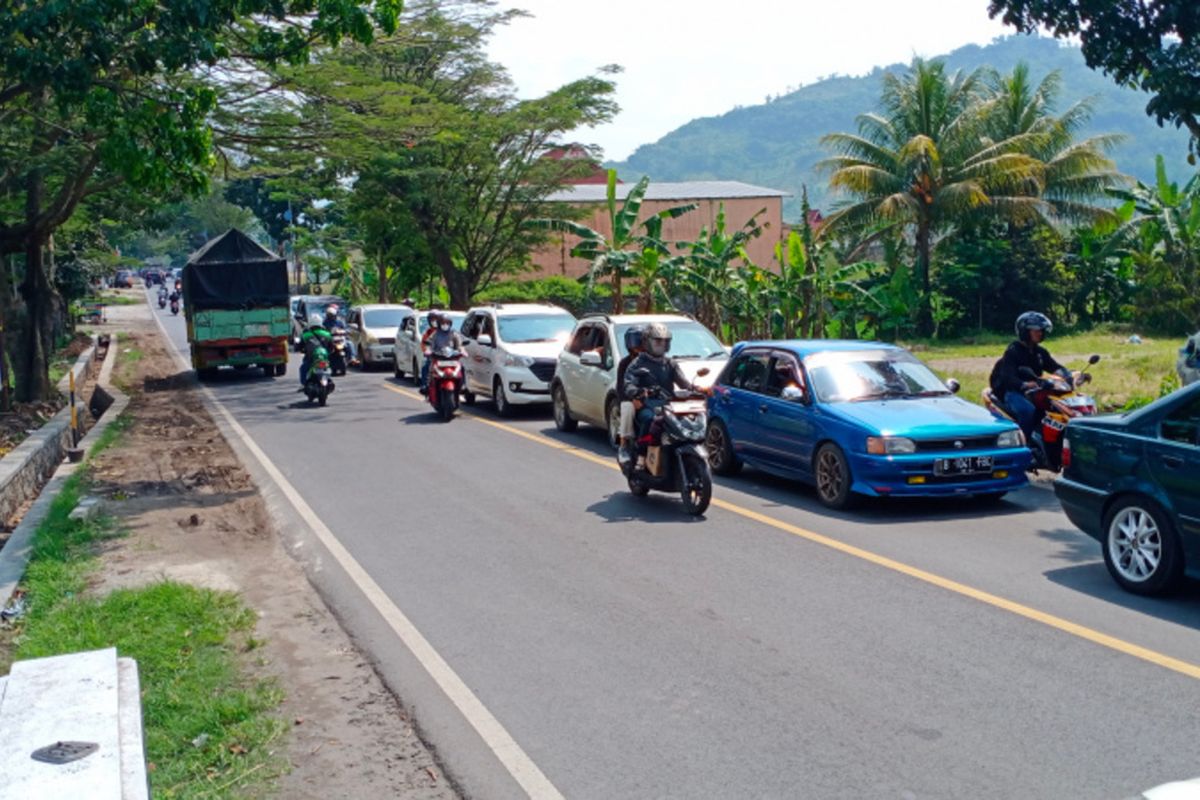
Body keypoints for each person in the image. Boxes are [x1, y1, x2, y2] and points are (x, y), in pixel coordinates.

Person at [622, 322, 709, 463]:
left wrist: (696, 389)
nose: (662, 345)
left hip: (669, 405)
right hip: (648, 405)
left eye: (665, 341)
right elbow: (628, 383)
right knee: (649, 419)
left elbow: (684, 383)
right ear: (647, 342)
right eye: (657, 341)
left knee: (691, 419)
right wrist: (637, 392)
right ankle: (641, 454)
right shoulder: (638, 363)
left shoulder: (670, 363)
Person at [989, 311, 1072, 441]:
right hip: (1012, 391)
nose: (1040, 333)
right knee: (1027, 411)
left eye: (1041, 330)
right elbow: (1008, 377)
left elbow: (1054, 367)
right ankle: (1024, 443)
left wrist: (1069, 375)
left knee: (1058, 408)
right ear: (1025, 331)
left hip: (1035, 391)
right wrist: (1024, 384)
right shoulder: (1013, 351)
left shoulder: (1039, 352)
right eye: (1036, 330)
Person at [615, 326, 645, 465]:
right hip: (631, 399)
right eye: (637, 344)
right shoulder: (625, 363)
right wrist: (633, 399)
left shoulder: (656, 360)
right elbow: (621, 389)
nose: (639, 347)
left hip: (651, 399)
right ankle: (624, 444)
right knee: (627, 407)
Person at [419, 311, 464, 391]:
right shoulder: (434, 333)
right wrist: (428, 351)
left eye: (447, 323)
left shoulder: (453, 333)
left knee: (462, 367)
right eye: (443, 323)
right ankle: (426, 385)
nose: (445, 325)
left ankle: (463, 385)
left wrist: (462, 350)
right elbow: (428, 343)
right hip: (438, 356)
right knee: (427, 367)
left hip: (451, 357)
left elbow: (459, 344)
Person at [298, 323, 333, 387]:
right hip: (325, 358)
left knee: (303, 368)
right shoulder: (327, 334)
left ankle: (304, 385)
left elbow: (299, 346)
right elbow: (331, 348)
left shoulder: (306, 335)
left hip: (310, 358)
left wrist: (302, 350)